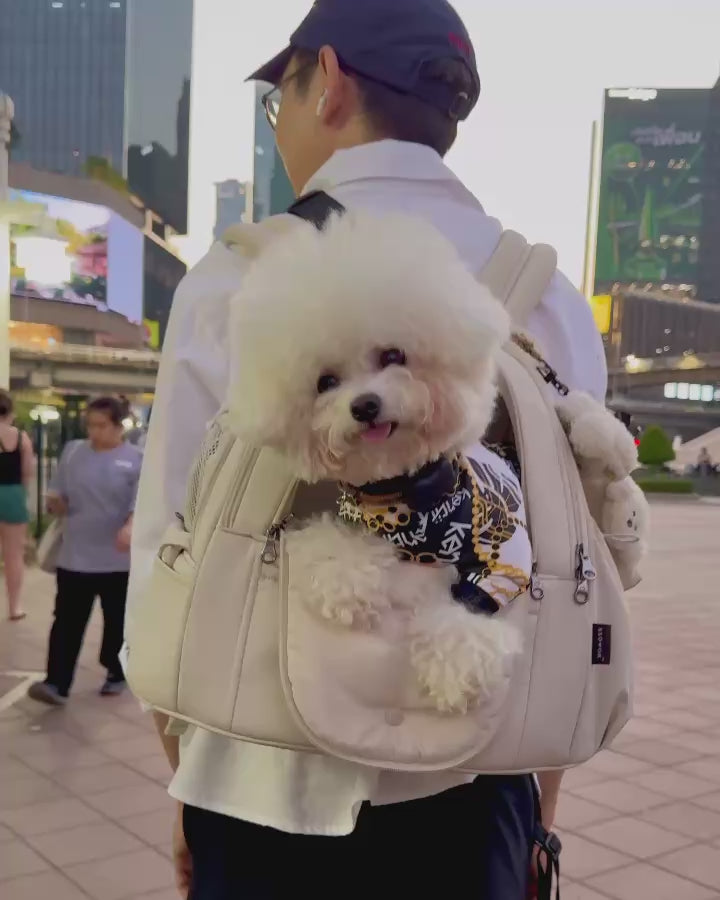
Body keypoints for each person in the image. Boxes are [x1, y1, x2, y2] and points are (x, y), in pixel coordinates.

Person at [127, 1, 607, 897]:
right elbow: (563, 569)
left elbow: (167, 553)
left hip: (255, 777)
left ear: (330, 81)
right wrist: (538, 807)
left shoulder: (235, 278)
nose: (280, 126)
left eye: (280, 100)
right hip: (479, 783)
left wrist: (185, 777)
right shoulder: (550, 299)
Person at [29, 396, 141, 706]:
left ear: (119, 426)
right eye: (90, 425)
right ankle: (56, 683)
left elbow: (139, 505)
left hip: (118, 560)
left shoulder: (136, 460)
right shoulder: (73, 452)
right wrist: (55, 503)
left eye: (101, 425)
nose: (94, 432)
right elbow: (58, 494)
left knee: (117, 621)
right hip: (75, 555)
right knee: (66, 621)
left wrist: (130, 526)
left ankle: (116, 671)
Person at [0, 390, 34, 621]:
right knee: (13, 557)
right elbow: (27, 473)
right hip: (13, 495)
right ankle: (14, 608)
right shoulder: (22, 438)